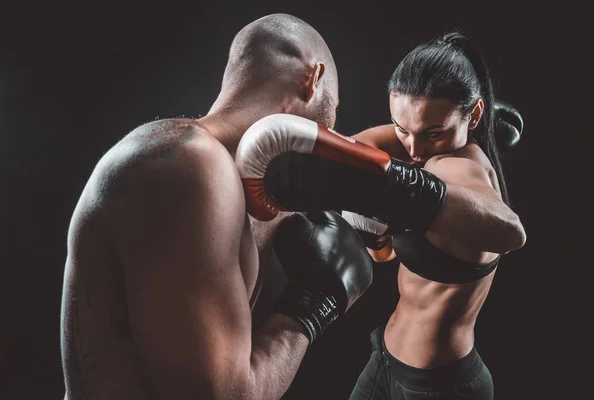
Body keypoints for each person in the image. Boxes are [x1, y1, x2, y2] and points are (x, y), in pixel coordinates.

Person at [59, 13, 374, 400]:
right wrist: (314, 305)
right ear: (313, 80)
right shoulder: (189, 165)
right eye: (333, 113)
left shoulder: (233, 183)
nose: (330, 131)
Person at [234, 32, 526, 399]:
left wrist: (394, 189)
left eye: (433, 133)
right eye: (403, 128)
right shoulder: (420, 142)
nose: (414, 149)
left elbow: (510, 232)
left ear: (474, 114)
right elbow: (346, 155)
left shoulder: (465, 170)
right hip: (384, 361)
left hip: (442, 386)